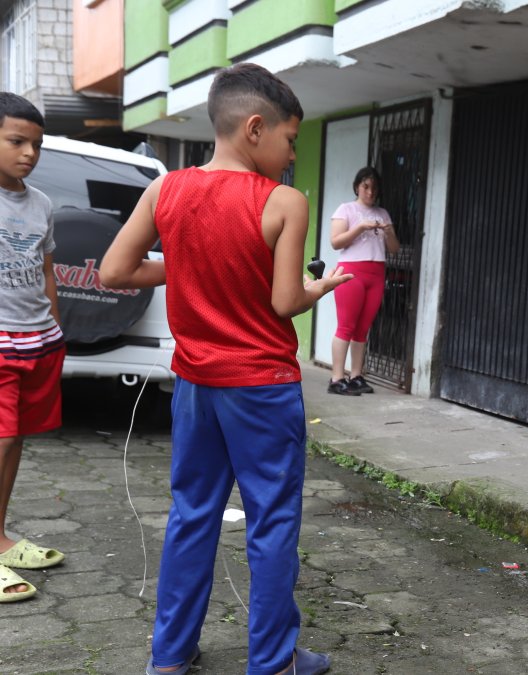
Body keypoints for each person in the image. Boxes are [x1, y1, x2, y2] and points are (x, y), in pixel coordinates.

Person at [99, 63, 349, 675]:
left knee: (192, 515)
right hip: (262, 390)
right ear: (257, 128)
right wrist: (323, 286)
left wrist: (185, 263)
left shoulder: (166, 191)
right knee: (271, 524)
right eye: (291, 140)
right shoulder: (285, 202)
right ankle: (272, 664)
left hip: (194, 386)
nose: (292, 155)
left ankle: (170, 656)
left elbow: (113, 272)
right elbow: (284, 302)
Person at [0, 92, 68, 604]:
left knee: (15, 441)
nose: (29, 153)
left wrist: (57, 325)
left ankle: (0, 536)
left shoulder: (41, 203)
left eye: (36, 145)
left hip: (38, 340)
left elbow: (46, 268)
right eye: (16, 141)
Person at [326, 166, 398, 396]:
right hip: (351, 272)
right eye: (366, 187)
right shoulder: (346, 209)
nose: (370, 192)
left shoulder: (383, 213)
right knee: (346, 325)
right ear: (357, 186)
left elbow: (394, 249)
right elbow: (336, 242)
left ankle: (356, 375)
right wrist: (360, 227)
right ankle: (337, 378)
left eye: (374, 188)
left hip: (376, 272)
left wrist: (388, 233)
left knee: (363, 328)